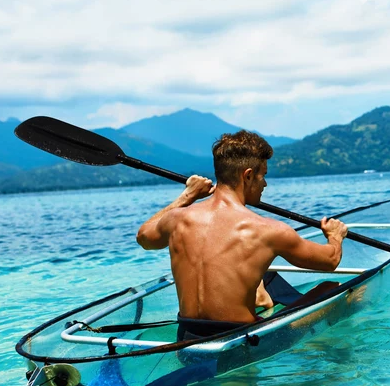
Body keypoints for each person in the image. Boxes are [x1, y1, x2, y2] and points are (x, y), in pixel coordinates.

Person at [136, 130, 348, 340]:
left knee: (258, 276)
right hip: (240, 342)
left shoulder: (177, 219)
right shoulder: (268, 230)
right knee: (333, 289)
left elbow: (144, 237)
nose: (265, 183)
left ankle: (261, 294)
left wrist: (187, 196)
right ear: (247, 175)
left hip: (187, 337)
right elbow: (329, 261)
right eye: (263, 175)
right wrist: (335, 236)